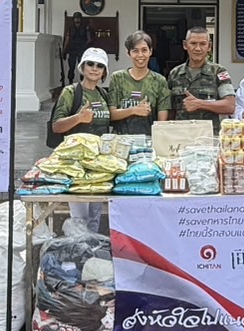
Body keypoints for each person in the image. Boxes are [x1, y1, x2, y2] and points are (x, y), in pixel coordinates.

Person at [50, 47, 112, 230]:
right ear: (82, 67)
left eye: (99, 65)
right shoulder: (70, 92)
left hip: (98, 163)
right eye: (90, 64)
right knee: (79, 216)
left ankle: (91, 245)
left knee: (95, 214)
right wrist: (78, 118)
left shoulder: (103, 94)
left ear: (104, 71)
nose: (94, 68)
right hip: (76, 164)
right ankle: (79, 245)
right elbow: (56, 126)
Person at [167, 26, 236, 134]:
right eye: (193, 43)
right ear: (185, 45)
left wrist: (200, 104)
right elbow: (170, 110)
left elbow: (230, 106)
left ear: (209, 46)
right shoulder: (175, 74)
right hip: (181, 136)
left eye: (203, 44)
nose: (198, 48)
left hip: (209, 136)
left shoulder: (219, 72)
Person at [106, 30, 171, 135]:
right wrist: (134, 110)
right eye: (135, 51)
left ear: (150, 51)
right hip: (121, 139)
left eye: (144, 50)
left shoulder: (159, 81)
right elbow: (111, 115)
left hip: (149, 139)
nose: (140, 55)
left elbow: (162, 121)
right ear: (128, 53)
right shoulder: (118, 78)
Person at [61, 12, 91, 85]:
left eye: (78, 18)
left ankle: (83, 84)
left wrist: (84, 47)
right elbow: (67, 39)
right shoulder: (71, 28)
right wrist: (64, 51)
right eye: (76, 18)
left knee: (82, 68)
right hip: (73, 50)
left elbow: (89, 39)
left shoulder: (85, 28)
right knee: (71, 67)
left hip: (81, 50)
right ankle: (70, 82)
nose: (77, 19)